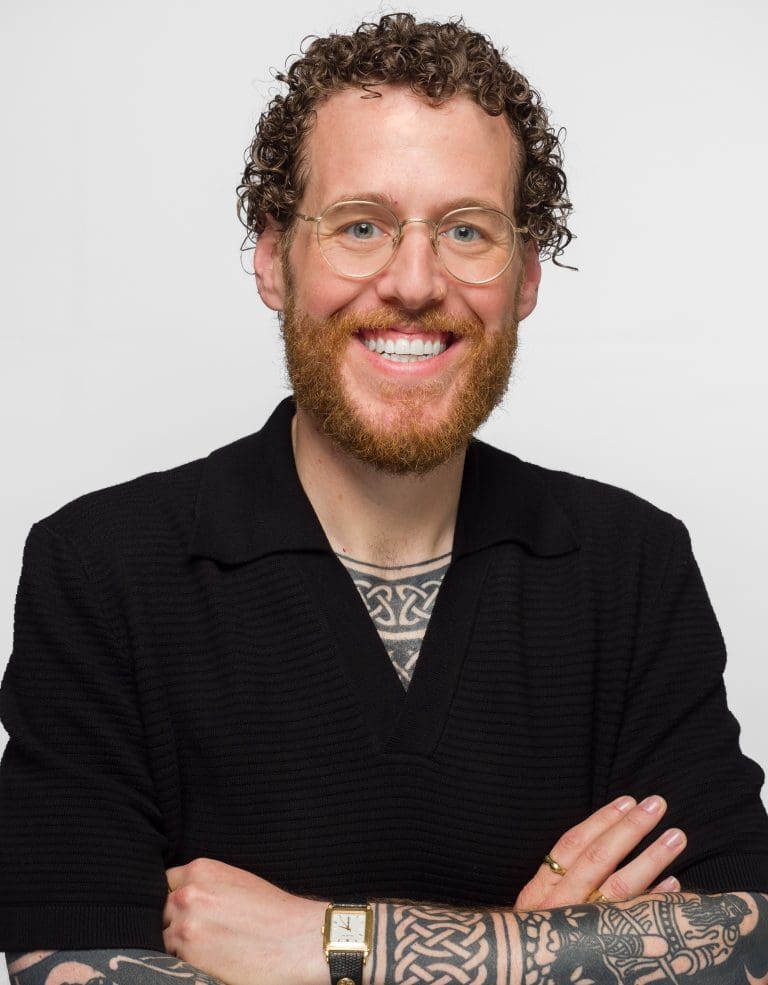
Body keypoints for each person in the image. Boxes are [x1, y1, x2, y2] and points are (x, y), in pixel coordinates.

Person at [2, 11, 768, 985]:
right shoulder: (102, 568)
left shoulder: (631, 564)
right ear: (275, 260)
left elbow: (747, 947)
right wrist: (544, 954)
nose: (414, 281)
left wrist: (331, 945)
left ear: (525, 274)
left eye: (466, 230)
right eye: (361, 226)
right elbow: (61, 972)